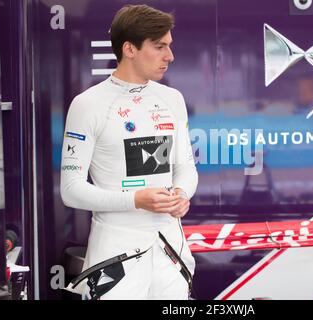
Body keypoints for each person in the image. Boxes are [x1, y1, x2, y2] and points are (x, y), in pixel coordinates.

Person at [60, 4, 198, 300]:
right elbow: (71, 190)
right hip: (116, 255)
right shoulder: (88, 104)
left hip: (170, 250)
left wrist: (182, 194)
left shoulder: (172, 99)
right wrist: (135, 199)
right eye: (159, 46)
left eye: (169, 46)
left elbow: (185, 167)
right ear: (129, 49)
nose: (170, 56)